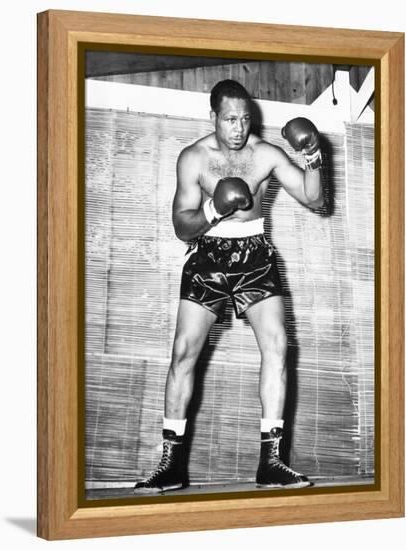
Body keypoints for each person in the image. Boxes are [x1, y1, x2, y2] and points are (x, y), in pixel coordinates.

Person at [134, 79, 324, 494]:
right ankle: (171, 463)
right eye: (230, 119)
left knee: (277, 346)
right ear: (213, 117)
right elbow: (182, 227)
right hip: (209, 257)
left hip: (256, 256)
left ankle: (271, 461)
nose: (239, 128)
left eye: (245, 119)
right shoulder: (193, 158)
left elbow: (315, 199)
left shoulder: (267, 154)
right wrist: (213, 207)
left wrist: (312, 156)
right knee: (184, 351)